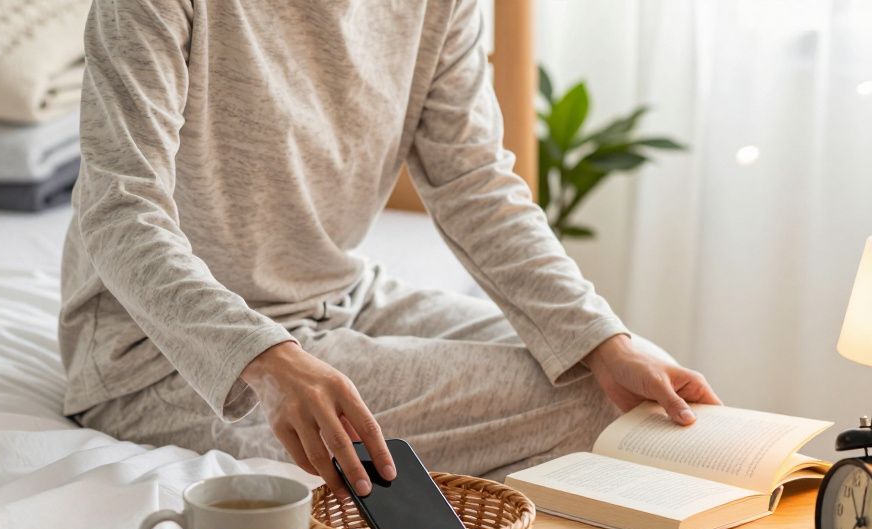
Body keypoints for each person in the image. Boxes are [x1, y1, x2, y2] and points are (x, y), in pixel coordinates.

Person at [60, 0, 719, 498]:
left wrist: (604, 340)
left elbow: (474, 185)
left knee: (630, 383)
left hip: (339, 300)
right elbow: (120, 211)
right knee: (598, 410)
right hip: (161, 360)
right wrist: (267, 360)